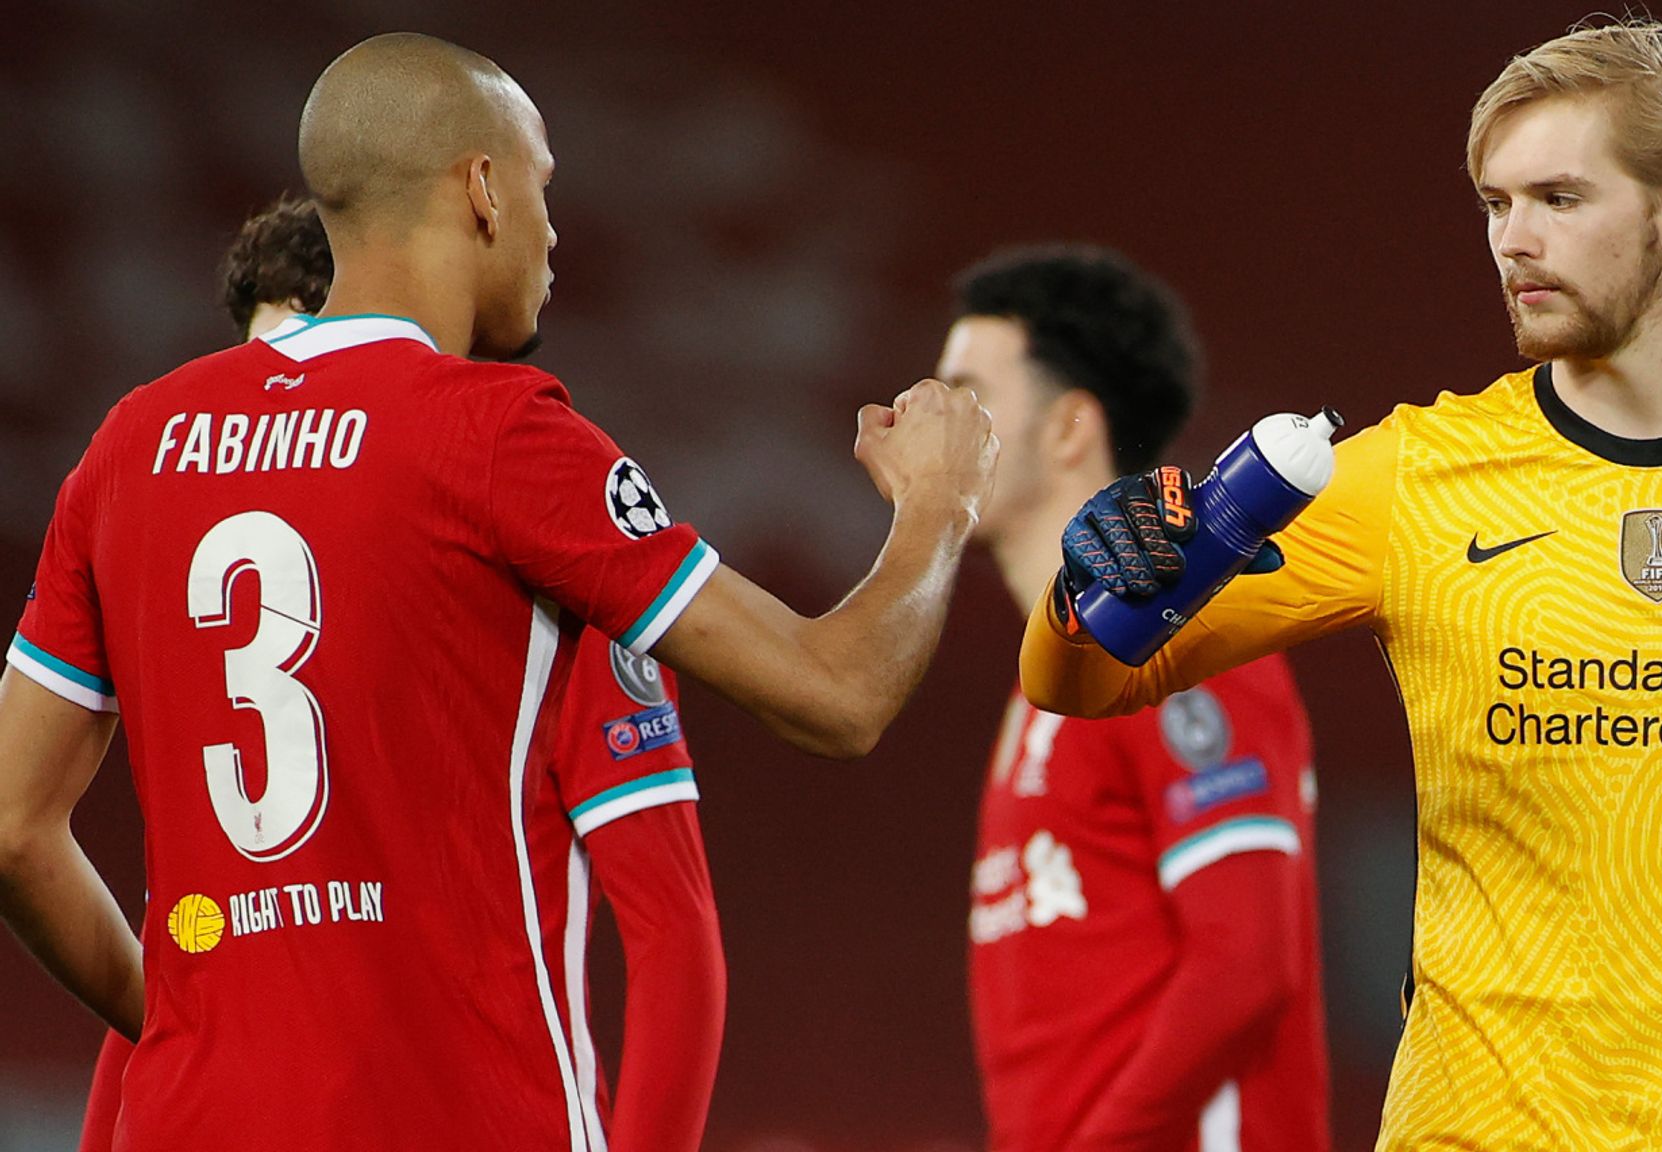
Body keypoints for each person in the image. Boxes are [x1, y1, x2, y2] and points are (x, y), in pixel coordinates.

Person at [1021, 18, 1662, 1150]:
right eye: (1495, 204)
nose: (1513, 241)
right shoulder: (1410, 476)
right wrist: (1085, 591)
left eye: (1557, 199)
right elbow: (1093, 680)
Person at [0, 32, 992, 1151]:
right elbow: (838, 692)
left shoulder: (133, 444)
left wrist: (193, 1020)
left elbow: (11, 828)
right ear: (481, 187)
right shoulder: (498, 435)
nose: (553, 231)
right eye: (542, 185)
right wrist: (938, 510)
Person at [71, 195, 730, 1151]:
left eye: (312, 349)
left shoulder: (550, 582)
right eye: (262, 361)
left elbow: (674, 935)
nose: (283, 402)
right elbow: (186, 944)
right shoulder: (205, 599)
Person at [940, 247, 1327, 1152]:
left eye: (966, 393)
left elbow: (1246, 965)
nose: (932, 420)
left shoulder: (1183, 642)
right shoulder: (1049, 682)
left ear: (1069, 428)